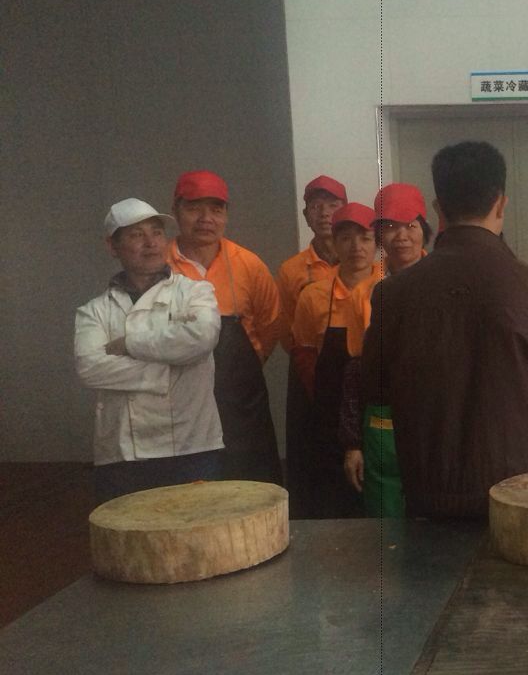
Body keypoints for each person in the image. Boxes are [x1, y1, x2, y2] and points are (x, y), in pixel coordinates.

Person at [362, 142, 528, 518]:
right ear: (501, 204)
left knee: (434, 561)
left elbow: (374, 387)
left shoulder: (394, 293)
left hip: (431, 492)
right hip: (524, 495)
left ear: (438, 209)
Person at [75, 199, 223, 501]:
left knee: (197, 528)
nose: (151, 243)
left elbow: (202, 337)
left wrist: (128, 344)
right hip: (123, 454)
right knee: (126, 531)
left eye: (156, 232)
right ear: (112, 246)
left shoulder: (195, 291)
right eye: (136, 235)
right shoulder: (94, 311)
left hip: (193, 446)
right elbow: (90, 368)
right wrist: (166, 369)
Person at [166, 170, 284, 484]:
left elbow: (270, 324)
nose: (206, 219)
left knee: (249, 486)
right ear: (175, 210)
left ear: (226, 215)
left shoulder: (249, 265)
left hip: (242, 404)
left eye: (216, 209)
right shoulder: (160, 267)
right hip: (178, 404)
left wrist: (244, 368)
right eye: (194, 208)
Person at [339, 183, 431, 517]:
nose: (402, 237)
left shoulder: (445, 284)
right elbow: (355, 371)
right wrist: (353, 443)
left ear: (425, 231)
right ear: (378, 234)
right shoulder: (362, 294)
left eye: (411, 226)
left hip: (436, 424)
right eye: (391, 227)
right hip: (382, 428)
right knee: (386, 524)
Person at [290, 203, 379, 518]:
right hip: (329, 423)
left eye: (365, 238)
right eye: (346, 238)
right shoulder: (313, 296)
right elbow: (304, 357)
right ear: (335, 243)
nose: (356, 247)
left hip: (381, 416)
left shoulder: (390, 288)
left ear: (377, 243)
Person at [278, 174, 348, 498]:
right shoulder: (291, 269)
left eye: (333, 205)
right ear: (306, 215)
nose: (325, 213)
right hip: (309, 370)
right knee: (312, 461)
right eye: (316, 206)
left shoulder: (365, 262)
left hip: (355, 370)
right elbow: (283, 327)